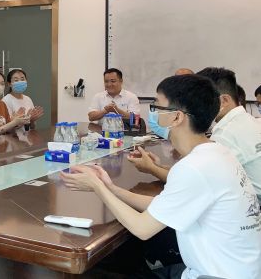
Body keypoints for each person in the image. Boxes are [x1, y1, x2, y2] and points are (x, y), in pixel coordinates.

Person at [62, 74, 261, 279]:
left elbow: (142, 228)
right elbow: (162, 204)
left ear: (176, 117)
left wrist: (97, 186)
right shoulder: (216, 152)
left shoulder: (195, 167)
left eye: (157, 106)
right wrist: (109, 187)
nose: (153, 113)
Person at [131, 67, 261, 197]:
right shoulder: (247, 121)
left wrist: (152, 168)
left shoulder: (225, 135)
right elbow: (197, 173)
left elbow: (192, 181)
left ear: (224, 100)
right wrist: (158, 166)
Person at [0, 69, 27, 136]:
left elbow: (9, 130)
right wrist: (14, 123)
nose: (0, 86)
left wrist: (16, 121)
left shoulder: (2, 104)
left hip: (4, 141)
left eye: (2, 84)